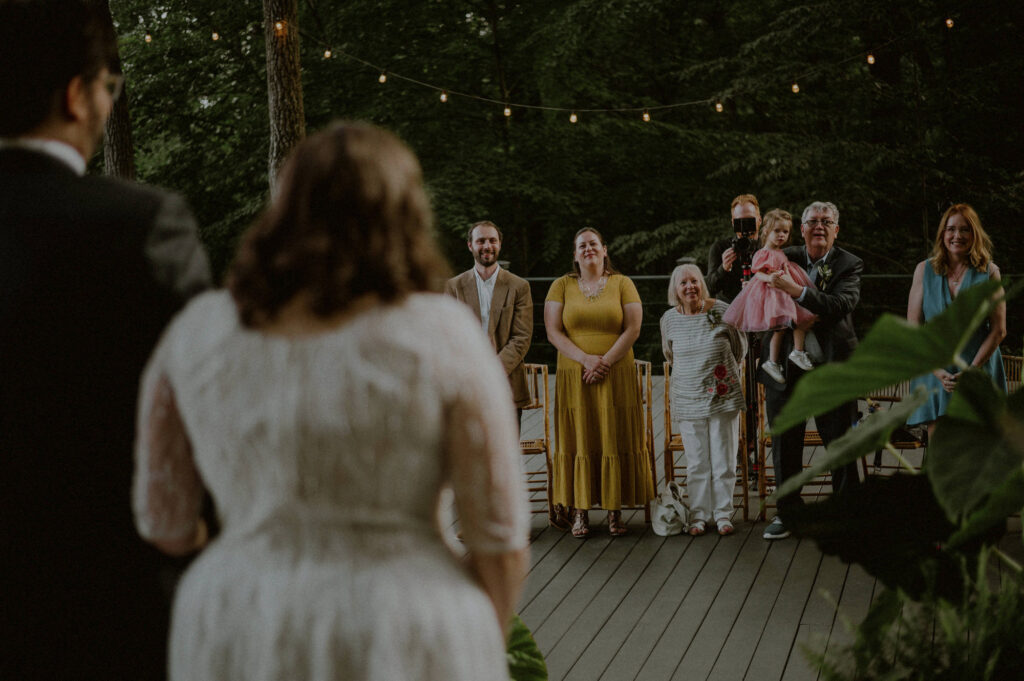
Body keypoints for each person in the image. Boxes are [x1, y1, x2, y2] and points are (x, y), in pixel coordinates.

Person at [132, 122, 530, 681]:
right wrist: (467, 640)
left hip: (240, 623)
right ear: (404, 216)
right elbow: (501, 539)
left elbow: (165, 522)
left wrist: (250, 542)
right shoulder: (441, 334)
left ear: (286, 210)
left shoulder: (199, 331)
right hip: (405, 621)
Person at [0, 2, 211, 679]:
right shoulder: (143, 225)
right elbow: (206, 400)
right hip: (110, 591)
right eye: (107, 88)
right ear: (75, 94)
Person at [759, 201, 863, 541]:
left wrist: (797, 293)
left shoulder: (848, 263)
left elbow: (841, 305)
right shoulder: (782, 254)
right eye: (812, 221)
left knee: (840, 443)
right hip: (787, 366)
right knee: (785, 442)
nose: (819, 226)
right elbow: (756, 282)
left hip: (832, 366)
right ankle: (789, 514)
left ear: (837, 229)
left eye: (826, 221)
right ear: (801, 229)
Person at [543, 228, 654, 538]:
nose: (588, 249)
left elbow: (633, 328)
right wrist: (586, 359)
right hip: (575, 371)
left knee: (613, 433)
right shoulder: (561, 285)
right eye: (582, 245)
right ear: (575, 254)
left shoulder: (623, 283)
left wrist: (603, 360)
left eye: (593, 244)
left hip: (615, 369)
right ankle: (580, 511)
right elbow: (553, 332)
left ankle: (614, 510)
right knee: (579, 435)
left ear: (605, 250)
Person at [661, 265, 746, 536]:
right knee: (697, 461)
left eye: (694, 281)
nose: (690, 287)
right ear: (675, 289)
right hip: (688, 396)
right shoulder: (668, 319)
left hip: (723, 393)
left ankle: (722, 514)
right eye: (683, 283)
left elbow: (739, 347)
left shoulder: (721, 310)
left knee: (724, 457)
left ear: (702, 284)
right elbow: (669, 354)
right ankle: (698, 515)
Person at [906, 203, 1007, 433]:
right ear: (943, 234)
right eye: (951, 229)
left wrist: (972, 371)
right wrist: (937, 371)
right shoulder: (924, 270)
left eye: (965, 229)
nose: (957, 235)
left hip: (978, 369)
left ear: (974, 234)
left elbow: (999, 330)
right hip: (935, 372)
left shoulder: (990, 273)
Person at [444, 220, 533, 423]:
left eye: (492, 240)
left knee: (506, 454)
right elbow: (450, 338)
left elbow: (522, 337)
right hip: (466, 384)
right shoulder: (453, 287)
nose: (487, 246)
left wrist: (492, 370)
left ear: (500, 244)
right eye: (481, 241)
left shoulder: (519, 286)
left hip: (507, 383)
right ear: (470, 245)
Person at [723, 209, 816, 384]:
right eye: (777, 231)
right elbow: (757, 273)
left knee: (800, 319)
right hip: (773, 294)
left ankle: (796, 351)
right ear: (766, 231)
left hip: (785, 290)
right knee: (781, 328)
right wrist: (769, 277)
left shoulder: (781, 252)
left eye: (785, 232)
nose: (781, 235)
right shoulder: (763, 253)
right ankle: (774, 361)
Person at [706, 193, 762, 302]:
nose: (745, 226)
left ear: (759, 220)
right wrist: (723, 268)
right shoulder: (720, 247)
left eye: (750, 220)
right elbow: (710, 288)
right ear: (733, 223)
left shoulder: (767, 248)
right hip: (728, 309)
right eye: (739, 221)